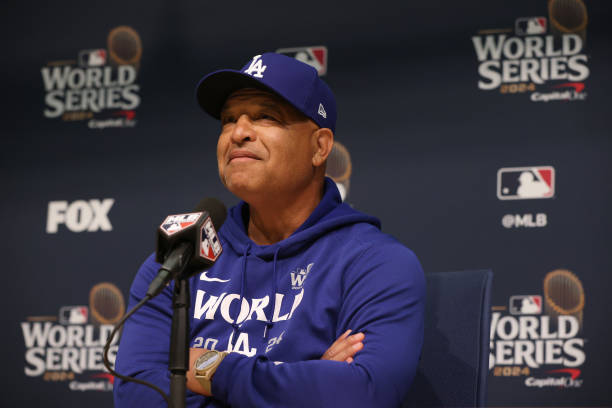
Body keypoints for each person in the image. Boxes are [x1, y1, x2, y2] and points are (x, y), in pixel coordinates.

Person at [114, 53, 425, 407]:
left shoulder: (375, 263)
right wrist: (302, 383)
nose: (238, 133)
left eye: (266, 117)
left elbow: (362, 393)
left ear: (320, 147)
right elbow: (136, 395)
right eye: (229, 120)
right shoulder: (179, 258)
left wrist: (207, 368)